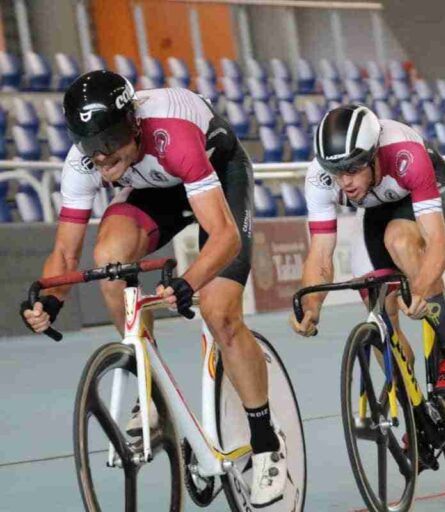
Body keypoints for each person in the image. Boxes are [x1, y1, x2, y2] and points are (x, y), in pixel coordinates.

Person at [19, 71, 285, 507]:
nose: (101, 157)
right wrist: (51, 299)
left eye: (110, 143)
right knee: (109, 260)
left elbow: (225, 237)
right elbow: (65, 254)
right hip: (153, 188)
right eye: (90, 146)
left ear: (134, 125)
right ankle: (152, 394)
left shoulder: (172, 134)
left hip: (217, 175)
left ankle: (265, 442)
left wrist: (188, 283)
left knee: (219, 312)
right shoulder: (84, 160)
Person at [290, 104, 445, 397]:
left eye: (352, 169)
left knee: (400, 240)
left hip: (423, 187)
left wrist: (420, 290)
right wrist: (311, 306)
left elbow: (437, 241)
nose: (344, 182)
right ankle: (412, 406)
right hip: (376, 207)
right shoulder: (318, 178)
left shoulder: (404, 154)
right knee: (378, 309)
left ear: (373, 156)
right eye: (336, 172)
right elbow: (320, 253)